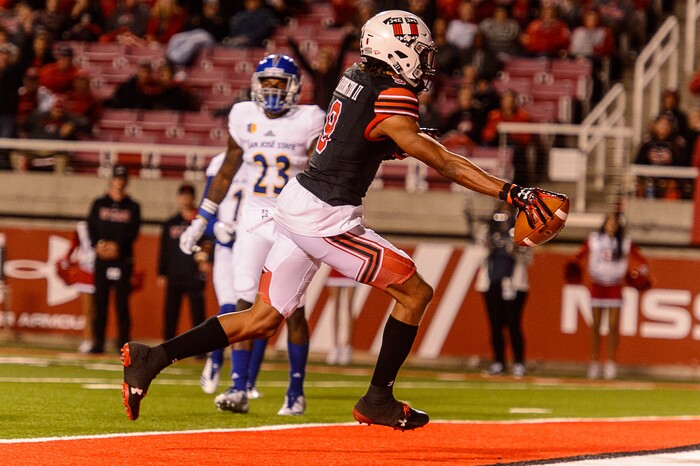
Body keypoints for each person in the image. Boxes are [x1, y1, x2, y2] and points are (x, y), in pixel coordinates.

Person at [121, 10, 564, 429]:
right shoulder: (393, 92)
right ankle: (377, 399)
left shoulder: (356, 76)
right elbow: (442, 161)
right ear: (398, 50)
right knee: (414, 292)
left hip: (300, 201)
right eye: (422, 54)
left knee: (260, 319)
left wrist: (390, 142)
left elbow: (360, 133)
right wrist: (511, 192)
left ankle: (152, 357)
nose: (426, 64)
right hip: (326, 218)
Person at [200, 54, 324, 417]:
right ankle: (239, 387)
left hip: (294, 221)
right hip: (254, 217)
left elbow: (324, 169)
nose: (271, 91)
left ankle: (295, 391)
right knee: (243, 302)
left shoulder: (310, 118)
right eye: (266, 84)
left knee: (293, 310)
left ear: (293, 87)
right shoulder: (242, 115)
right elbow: (226, 170)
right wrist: (202, 217)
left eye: (278, 84)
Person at [567, 212, 649, 380]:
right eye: (609, 223)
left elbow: (642, 260)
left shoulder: (625, 243)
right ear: (604, 225)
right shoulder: (595, 240)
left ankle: (611, 363)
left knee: (612, 326)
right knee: (596, 325)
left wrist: (639, 273)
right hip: (597, 285)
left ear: (618, 227)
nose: (611, 227)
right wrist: (573, 265)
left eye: (614, 224)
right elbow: (578, 256)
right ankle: (594, 362)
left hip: (614, 286)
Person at [87, 164, 141, 354]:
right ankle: (97, 343)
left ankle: (123, 345)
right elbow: (91, 227)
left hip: (122, 260)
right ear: (111, 180)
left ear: (126, 181)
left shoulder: (133, 206)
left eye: (122, 178)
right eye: (116, 178)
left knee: (122, 305)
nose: (119, 182)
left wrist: (118, 247)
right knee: (100, 304)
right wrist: (100, 245)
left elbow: (133, 232)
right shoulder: (99, 203)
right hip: (102, 260)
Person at [474, 203, 532, 378]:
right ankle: (498, 361)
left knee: (513, 324)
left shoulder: (521, 231)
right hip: (492, 283)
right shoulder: (487, 231)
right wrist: (490, 246)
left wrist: (515, 249)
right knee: (495, 325)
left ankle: (519, 362)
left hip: (515, 284)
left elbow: (529, 258)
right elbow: (477, 258)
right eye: (501, 212)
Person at [157, 182, 209, 341]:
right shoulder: (171, 222)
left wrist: (206, 259)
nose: (186, 198)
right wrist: (161, 272)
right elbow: (164, 249)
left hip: (194, 273)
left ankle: (200, 348)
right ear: (179, 197)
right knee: (170, 313)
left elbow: (208, 243)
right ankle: (167, 348)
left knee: (198, 313)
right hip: (174, 274)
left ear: (193, 197)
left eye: (189, 195)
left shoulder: (200, 222)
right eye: (183, 195)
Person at [55, 220, 96, 353]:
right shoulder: (82, 227)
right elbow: (74, 245)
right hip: (86, 270)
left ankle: (98, 340)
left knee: (100, 311)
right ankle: (88, 340)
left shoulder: (106, 225)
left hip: (102, 270)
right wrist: (66, 259)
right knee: (88, 311)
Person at [325, 268, 357, 366]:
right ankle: (335, 347)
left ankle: (347, 347)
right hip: (335, 268)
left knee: (349, 307)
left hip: (351, 268)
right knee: (335, 307)